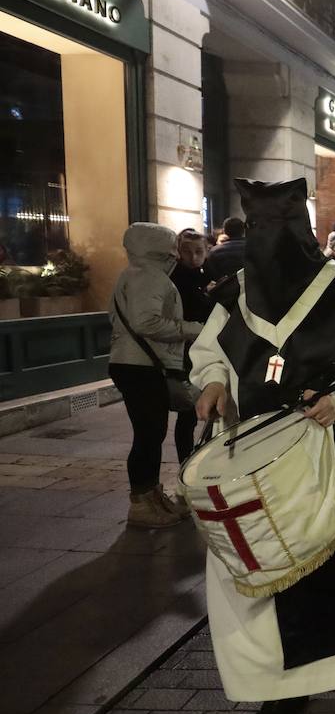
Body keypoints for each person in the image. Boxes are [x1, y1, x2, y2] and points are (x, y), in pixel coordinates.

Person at [190, 178, 335, 714]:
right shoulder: (236, 293)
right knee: (266, 577)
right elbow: (210, 351)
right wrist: (213, 381)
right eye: (259, 229)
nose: (270, 241)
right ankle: (279, 693)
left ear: (304, 230)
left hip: (328, 452)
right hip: (254, 460)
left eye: (280, 228)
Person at [109, 223, 203, 529]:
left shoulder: (139, 274)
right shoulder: (148, 276)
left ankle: (151, 497)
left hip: (139, 363)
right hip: (141, 365)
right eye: (169, 243)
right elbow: (146, 323)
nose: (174, 248)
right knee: (148, 434)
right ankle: (141, 503)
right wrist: (192, 330)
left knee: (151, 432)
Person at [170, 229, 215, 473]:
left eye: (198, 251)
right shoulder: (176, 278)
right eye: (186, 251)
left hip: (206, 348)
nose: (192, 257)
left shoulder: (205, 274)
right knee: (187, 411)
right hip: (186, 350)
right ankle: (186, 463)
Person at [204, 216, 246, 282]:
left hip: (225, 289)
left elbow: (212, 276)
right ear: (244, 230)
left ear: (224, 231)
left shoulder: (214, 252)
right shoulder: (256, 248)